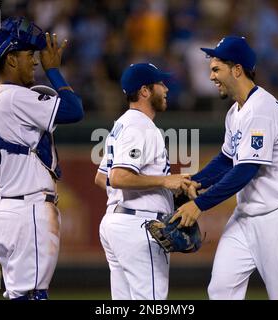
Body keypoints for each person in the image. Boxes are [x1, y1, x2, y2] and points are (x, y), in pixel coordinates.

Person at [170, 36, 278, 299]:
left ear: (236, 69)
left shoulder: (261, 109)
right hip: (245, 217)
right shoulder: (235, 112)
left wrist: (200, 204)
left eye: (216, 69)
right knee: (221, 289)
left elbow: (246, 169)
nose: (211, 76)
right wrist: (195, 182)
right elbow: (226, 159)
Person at [0, 17, 84, 300]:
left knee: (19, 294)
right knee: (32, 296)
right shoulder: (14, 97)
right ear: (11, 60)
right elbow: (74, 110)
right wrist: (55, 72)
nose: (36, 62)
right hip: (28, 211)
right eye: (29, 56)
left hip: (9, 208)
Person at [94, 63, 191, 300]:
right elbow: (118, 177)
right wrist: (165, 182)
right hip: (137, 226)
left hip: (118, 223)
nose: (166, 88)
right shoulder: (140, 126)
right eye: (161, 83)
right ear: (145, 91)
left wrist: (165, 191)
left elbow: (101, 178)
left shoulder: (122, 124)